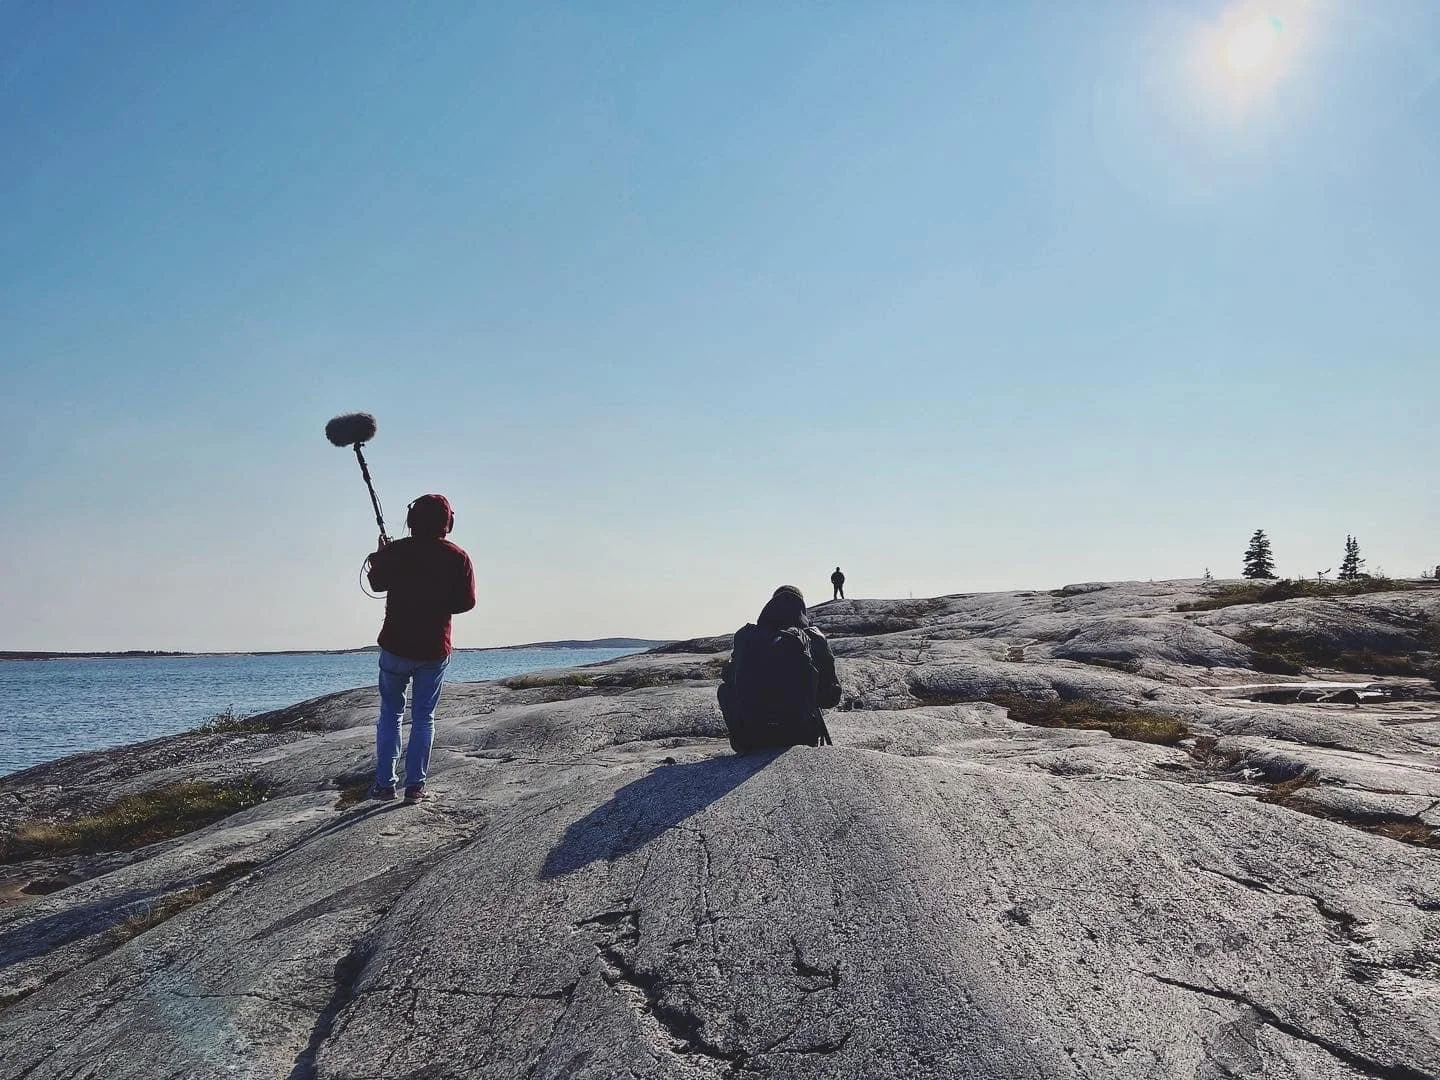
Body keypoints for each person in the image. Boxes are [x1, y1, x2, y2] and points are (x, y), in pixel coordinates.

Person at [364, 494, 476, 803]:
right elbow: (466, 603)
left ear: (413, 520)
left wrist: (381, 554)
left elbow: (375, 583)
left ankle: (385, 786)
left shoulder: (398, 551)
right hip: (433, 648)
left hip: (395, 645)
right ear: (447, 523)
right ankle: (415, 787)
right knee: (424, 717)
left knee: (390, 715)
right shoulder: (458, 557)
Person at [717, 586, 842, 754]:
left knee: (724, 689)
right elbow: (830, 698)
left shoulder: (747, 635)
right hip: (800, 735)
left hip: (749, 737)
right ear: (801, 608)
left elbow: (729, 678)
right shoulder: (813, 636)